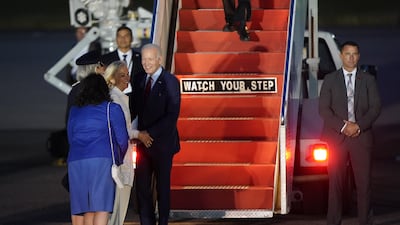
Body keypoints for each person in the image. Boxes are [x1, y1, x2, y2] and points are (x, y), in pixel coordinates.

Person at [319, 41, 381, 225]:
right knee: (335, 185)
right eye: (347, 53)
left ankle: (365, 222)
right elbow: (323, 109)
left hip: (361, 138)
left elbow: (375, 107)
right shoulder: (330, 79)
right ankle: (334, 222)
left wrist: (358, 126)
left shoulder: (368, 79)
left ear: (359, 56)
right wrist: (344, 127)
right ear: (341, 56)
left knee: (364, 185)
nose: (351, 57)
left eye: (354, 54)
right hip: (336, 137)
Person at [67, 73, 129, 225]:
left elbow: (70, 137)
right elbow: (122, 139)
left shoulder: (74, 111)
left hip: (76, 162)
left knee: (84, 207)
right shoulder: (112, 108)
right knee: (101, 207)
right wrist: (118, 159)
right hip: (102, 160)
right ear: (104, 90)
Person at [131, 43, 181, 225]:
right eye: (144, 59)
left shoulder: (170, 82)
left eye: (150, 59)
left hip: (162, 143)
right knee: (142, 188)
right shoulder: (138, 79)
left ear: (159, 59)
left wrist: (148, 133)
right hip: (142, 145)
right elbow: (134, 108)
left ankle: (163, 222)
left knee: (162, 187)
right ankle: (147, 222)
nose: (146, 63)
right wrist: (137, 134)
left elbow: (172, 115)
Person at [104, 61, 153, 225]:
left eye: (127, 74)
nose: (127, 78)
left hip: (121, 158)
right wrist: (139, 134)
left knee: (118, 210)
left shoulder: (120, 97)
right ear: (112, 78)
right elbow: (121, 131)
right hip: (119, 160)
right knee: (117, 209)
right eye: (122, 75)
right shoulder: (115, 99)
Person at [102, 25, 145, 94]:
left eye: (126, 36)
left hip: (137, 98)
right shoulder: (106, 59)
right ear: (116, 39)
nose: (123, 39)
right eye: (120, 36)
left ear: (132, 38)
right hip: (113, 96)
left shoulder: (141, 58)